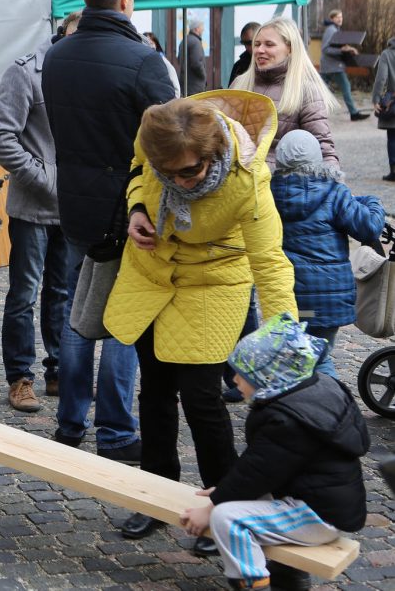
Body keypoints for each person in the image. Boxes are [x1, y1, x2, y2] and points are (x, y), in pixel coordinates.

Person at [104, 92, 299, 554]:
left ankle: (227, 510)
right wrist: (136, 211)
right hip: (153, 272)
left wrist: (284, 344)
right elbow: (137, 172)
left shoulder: (247, 180)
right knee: (153, 388)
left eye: (188, 171)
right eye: (167, 172)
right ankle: (154, 496)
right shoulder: (155, 141)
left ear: (211, 155)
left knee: (201, 397)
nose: (176, 179)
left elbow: (270, 263)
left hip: (214, 282)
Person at [42, 0, 175, 463]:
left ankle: (71, 422)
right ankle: (117, 431)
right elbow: (171, 141)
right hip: (128, 208)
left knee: (81, 314)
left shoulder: (56, 56)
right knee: (125, 320)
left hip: (75, 203)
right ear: (126, 0)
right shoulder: (144, 61)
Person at [181, 312, 369, 591]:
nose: (233, 380)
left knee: (227, 519)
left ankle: (252, 582)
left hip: (317, 515)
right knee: (236, 502)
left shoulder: (287, 421)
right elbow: (261, 469)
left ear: (267, 378)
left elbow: (258, 471)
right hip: (318, 501)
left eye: (242, 375)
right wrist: (224, 491)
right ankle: (289, 578)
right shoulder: (308, 394)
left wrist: (213, 506)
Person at [0, 12, 81, 412]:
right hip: (33, 207)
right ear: (62, 35)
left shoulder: (88, 73)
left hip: (74, 208)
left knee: (62, 293)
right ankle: (19, 377)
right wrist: (44, 177)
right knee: (23, 294)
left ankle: (58, 369)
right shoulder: (25, 73)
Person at [269, 129, 384, 378]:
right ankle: (331, 409)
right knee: (320, 358)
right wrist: (373, 201)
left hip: (288, 295)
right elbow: (368, 227)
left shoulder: (268, 194)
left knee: (298, 354)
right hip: (328, 299)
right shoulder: (334, 192)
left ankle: (296, 404)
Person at [232, 17, 341, 171]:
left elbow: (322, 147)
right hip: (239, 184)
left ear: (289, 48)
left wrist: (333, 187)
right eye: (257, 44)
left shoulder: (306, 91)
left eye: (269, 44)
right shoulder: (240, 84)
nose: (260, 50)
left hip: (282, 186)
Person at [320, 9, 369, 121]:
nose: (340, 19)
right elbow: (326, 49)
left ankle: (314, 113)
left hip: (329, 66)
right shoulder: (331, 30)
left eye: (341, 17)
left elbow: (338, 47)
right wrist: (342, 50)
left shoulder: (335, 30)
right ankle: (353, 113)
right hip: (333, 67)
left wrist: (349, 49)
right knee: (345, 87)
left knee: (320, 91)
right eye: (337, 17)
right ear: (332, 19)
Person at [372, 36, 395, 181]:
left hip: (392, 101)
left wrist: (376, 98)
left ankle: (394, 171)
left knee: (393, 136)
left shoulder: (387, 54)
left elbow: (381, 78)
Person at [144, 31, 182, 98]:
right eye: (147, 44)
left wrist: (174, 99)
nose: (150, 46)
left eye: (151, 43)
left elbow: (175, 85)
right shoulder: (143, 61)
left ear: (156, 45)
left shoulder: (162, 60)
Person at [178, 18, 206, 95]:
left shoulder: (184, 41)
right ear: (196, 29)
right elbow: (196, 63)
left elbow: (179, 59)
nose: (203, 29)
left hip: (185, 84)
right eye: (202, 27)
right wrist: (203, 76)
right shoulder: (195, 42)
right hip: (195, 85)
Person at [227, 21, 259, 86]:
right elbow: (231, 92)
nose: (247, 47)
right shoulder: (239, 66)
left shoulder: (272, 63)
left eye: (250, 43)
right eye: (244, 43)